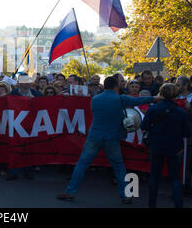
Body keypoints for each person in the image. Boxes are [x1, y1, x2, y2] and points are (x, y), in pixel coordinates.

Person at [57, 76, 162, 204]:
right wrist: (155, 98)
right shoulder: (120, 99)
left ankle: (70, 191)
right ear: (116, 86)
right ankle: (125, 195)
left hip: (95, 136)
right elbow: (138, 101)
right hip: (112, 137)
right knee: (118, 166)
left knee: (82, 164)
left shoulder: (95, 99)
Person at [141, 83, 191, 208]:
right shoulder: (181, 112)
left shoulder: (153, 109)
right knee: (175, 178)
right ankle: (178, 204)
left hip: (157, 146)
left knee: (154, 176)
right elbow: (187, 133)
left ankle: (152, 204)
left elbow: (144, 127)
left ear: (161, 93)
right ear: (175, 94)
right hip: (175, 147)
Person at [6, 73, 42, 180]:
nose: (25, 84)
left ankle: (28, 172)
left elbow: (43, 106)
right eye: (23, 82)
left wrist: (34, 101)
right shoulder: (13, 93)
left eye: (27, 82)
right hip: (16, 125)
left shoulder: (36, 94)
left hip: (31, 125)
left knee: (29, 149)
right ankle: (13, 172)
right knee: (15, 149)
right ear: (19, 83)